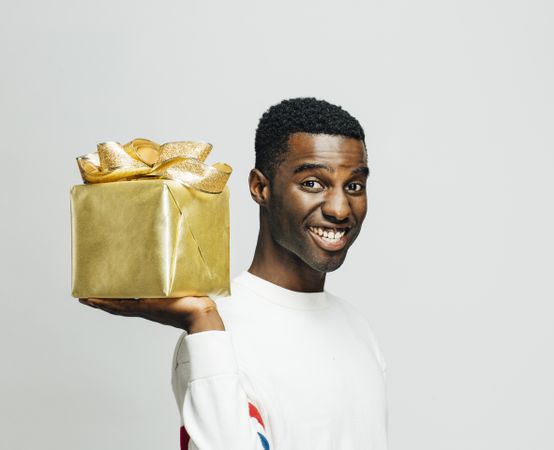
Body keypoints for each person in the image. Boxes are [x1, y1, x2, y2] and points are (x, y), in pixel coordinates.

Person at [78, 97, 388, 450]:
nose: (339, 208)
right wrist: (204, 321)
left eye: (354, 186)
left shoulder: (358, 328)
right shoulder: (214, 336)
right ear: (260, 188)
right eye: (313, 184)